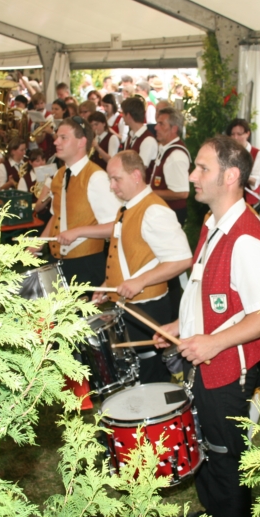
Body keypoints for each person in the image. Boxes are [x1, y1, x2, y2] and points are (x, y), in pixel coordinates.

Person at [154, 136, 260, 517]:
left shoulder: (244, 237)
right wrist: (182, 326)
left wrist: (214, 341)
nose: (192, 176)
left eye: (202, 168)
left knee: (226, 456)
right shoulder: (213, 223)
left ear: (230, 177)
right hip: (207, 363)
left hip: (228, 372)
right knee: (206, 446)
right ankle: (215, 513)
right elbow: (209, 290)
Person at [92, 150, 192, 383]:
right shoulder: (127, 207)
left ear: (136, 175)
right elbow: (128, 256)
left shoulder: (154, 210)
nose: (112, 186)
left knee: (150, 374)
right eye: (110, 179)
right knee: (135, 371)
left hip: (148, 307)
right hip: (129, 305)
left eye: (116, 179)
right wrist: (108, 284)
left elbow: (183, 259)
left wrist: (141, 281)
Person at [35, 117, 122, 287]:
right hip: (57, 261)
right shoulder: (59, 174)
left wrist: (78, 232)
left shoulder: (97, 178)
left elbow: (118, 225)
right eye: (57, 137)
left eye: (63, 138)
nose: (56, 142)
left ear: (81, 142)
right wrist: (38, 244)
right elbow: (56, 216)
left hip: (86, 265)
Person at [147, 107, 190, 225]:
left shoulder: (176, 155)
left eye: (161, 124)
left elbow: (182, 193)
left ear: (174, 128)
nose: (156, 127)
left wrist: (148, 192)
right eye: (157, 123)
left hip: (171, 215)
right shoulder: (166, 149)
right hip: (164, 212)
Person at [226, 118, 260, 208]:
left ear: (247, 134)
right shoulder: (227, 152)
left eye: (239, 134)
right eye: (232, 134)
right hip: (229, 197)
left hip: (247, 199)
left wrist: (239, 175)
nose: (235, 138)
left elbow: (256, 180)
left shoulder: (256, 153)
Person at [122, 96, 158, 168]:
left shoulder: (148, 140)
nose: (122, 116)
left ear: (128, 115)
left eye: (123, 113)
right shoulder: (131, 136)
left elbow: (140, 169)